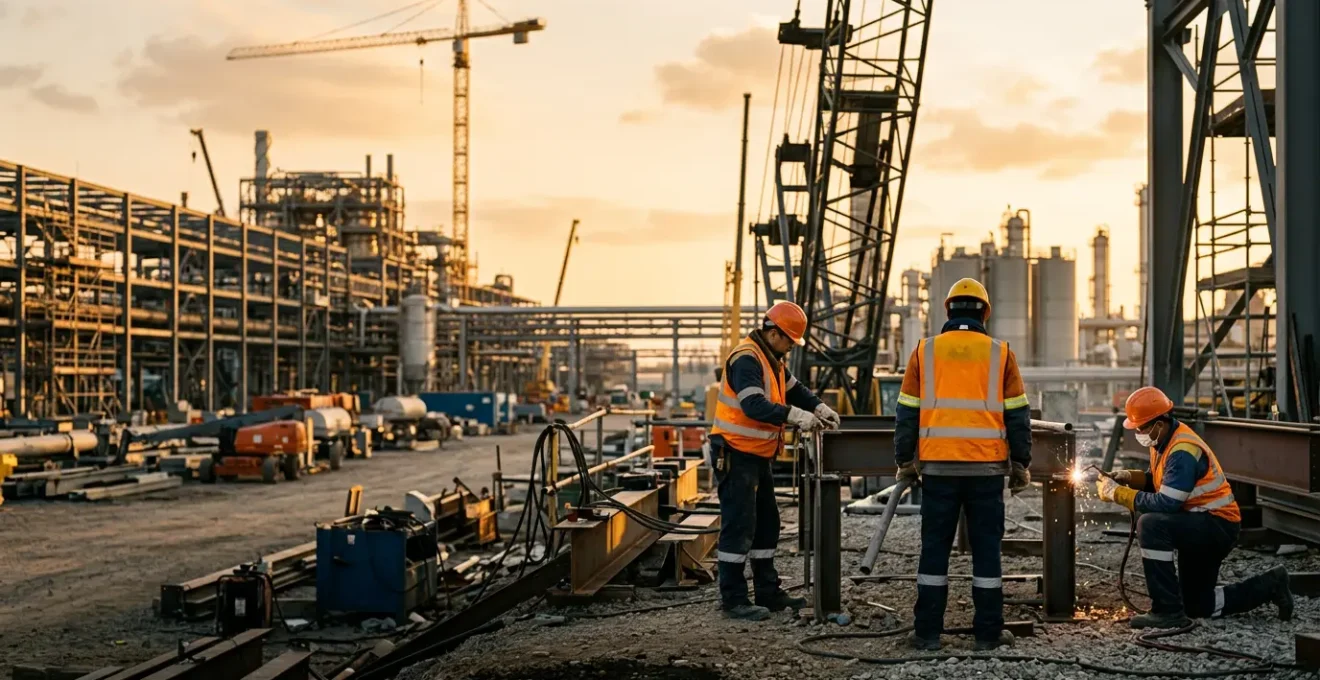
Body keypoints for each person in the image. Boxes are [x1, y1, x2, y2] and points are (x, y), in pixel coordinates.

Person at [894, 277, 1033, 651]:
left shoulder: (924, 351)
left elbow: (906, 412)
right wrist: (1020, 463)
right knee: (987, 551)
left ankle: (927, 635)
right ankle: (988, 635)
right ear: (985, 313)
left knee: (934, 551)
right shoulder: (1000, 353)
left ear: (948, 311)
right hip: (986, 472)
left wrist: (906, 460)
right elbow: (1018, 414)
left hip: (938, 471)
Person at [1095, 386, 1293, 628]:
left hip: (1215, 525)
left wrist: (1119, 494)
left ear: (1159, 423)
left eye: (1141, 427)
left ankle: (1166, 611)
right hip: (1200, 522)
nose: (1138, 432)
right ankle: (1272, 583)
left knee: (1150, 524)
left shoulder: (1182, 451)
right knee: (1198, 606)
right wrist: (1131, 477)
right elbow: (1163, 480)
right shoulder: (1164, 439)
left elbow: (1167, 502)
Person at [708, 300, 841, 620]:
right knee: (739, 526)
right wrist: (796, 417)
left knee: (767, 525)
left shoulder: (773, 360)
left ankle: (767, 591)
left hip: (756, 455)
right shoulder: (746, 360)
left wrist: (818, 407)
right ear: (775, 333)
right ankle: (734, 599)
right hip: (735, 452)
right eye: (790, 342)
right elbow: (753, 405)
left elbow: (796, 390)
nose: (792, 349)